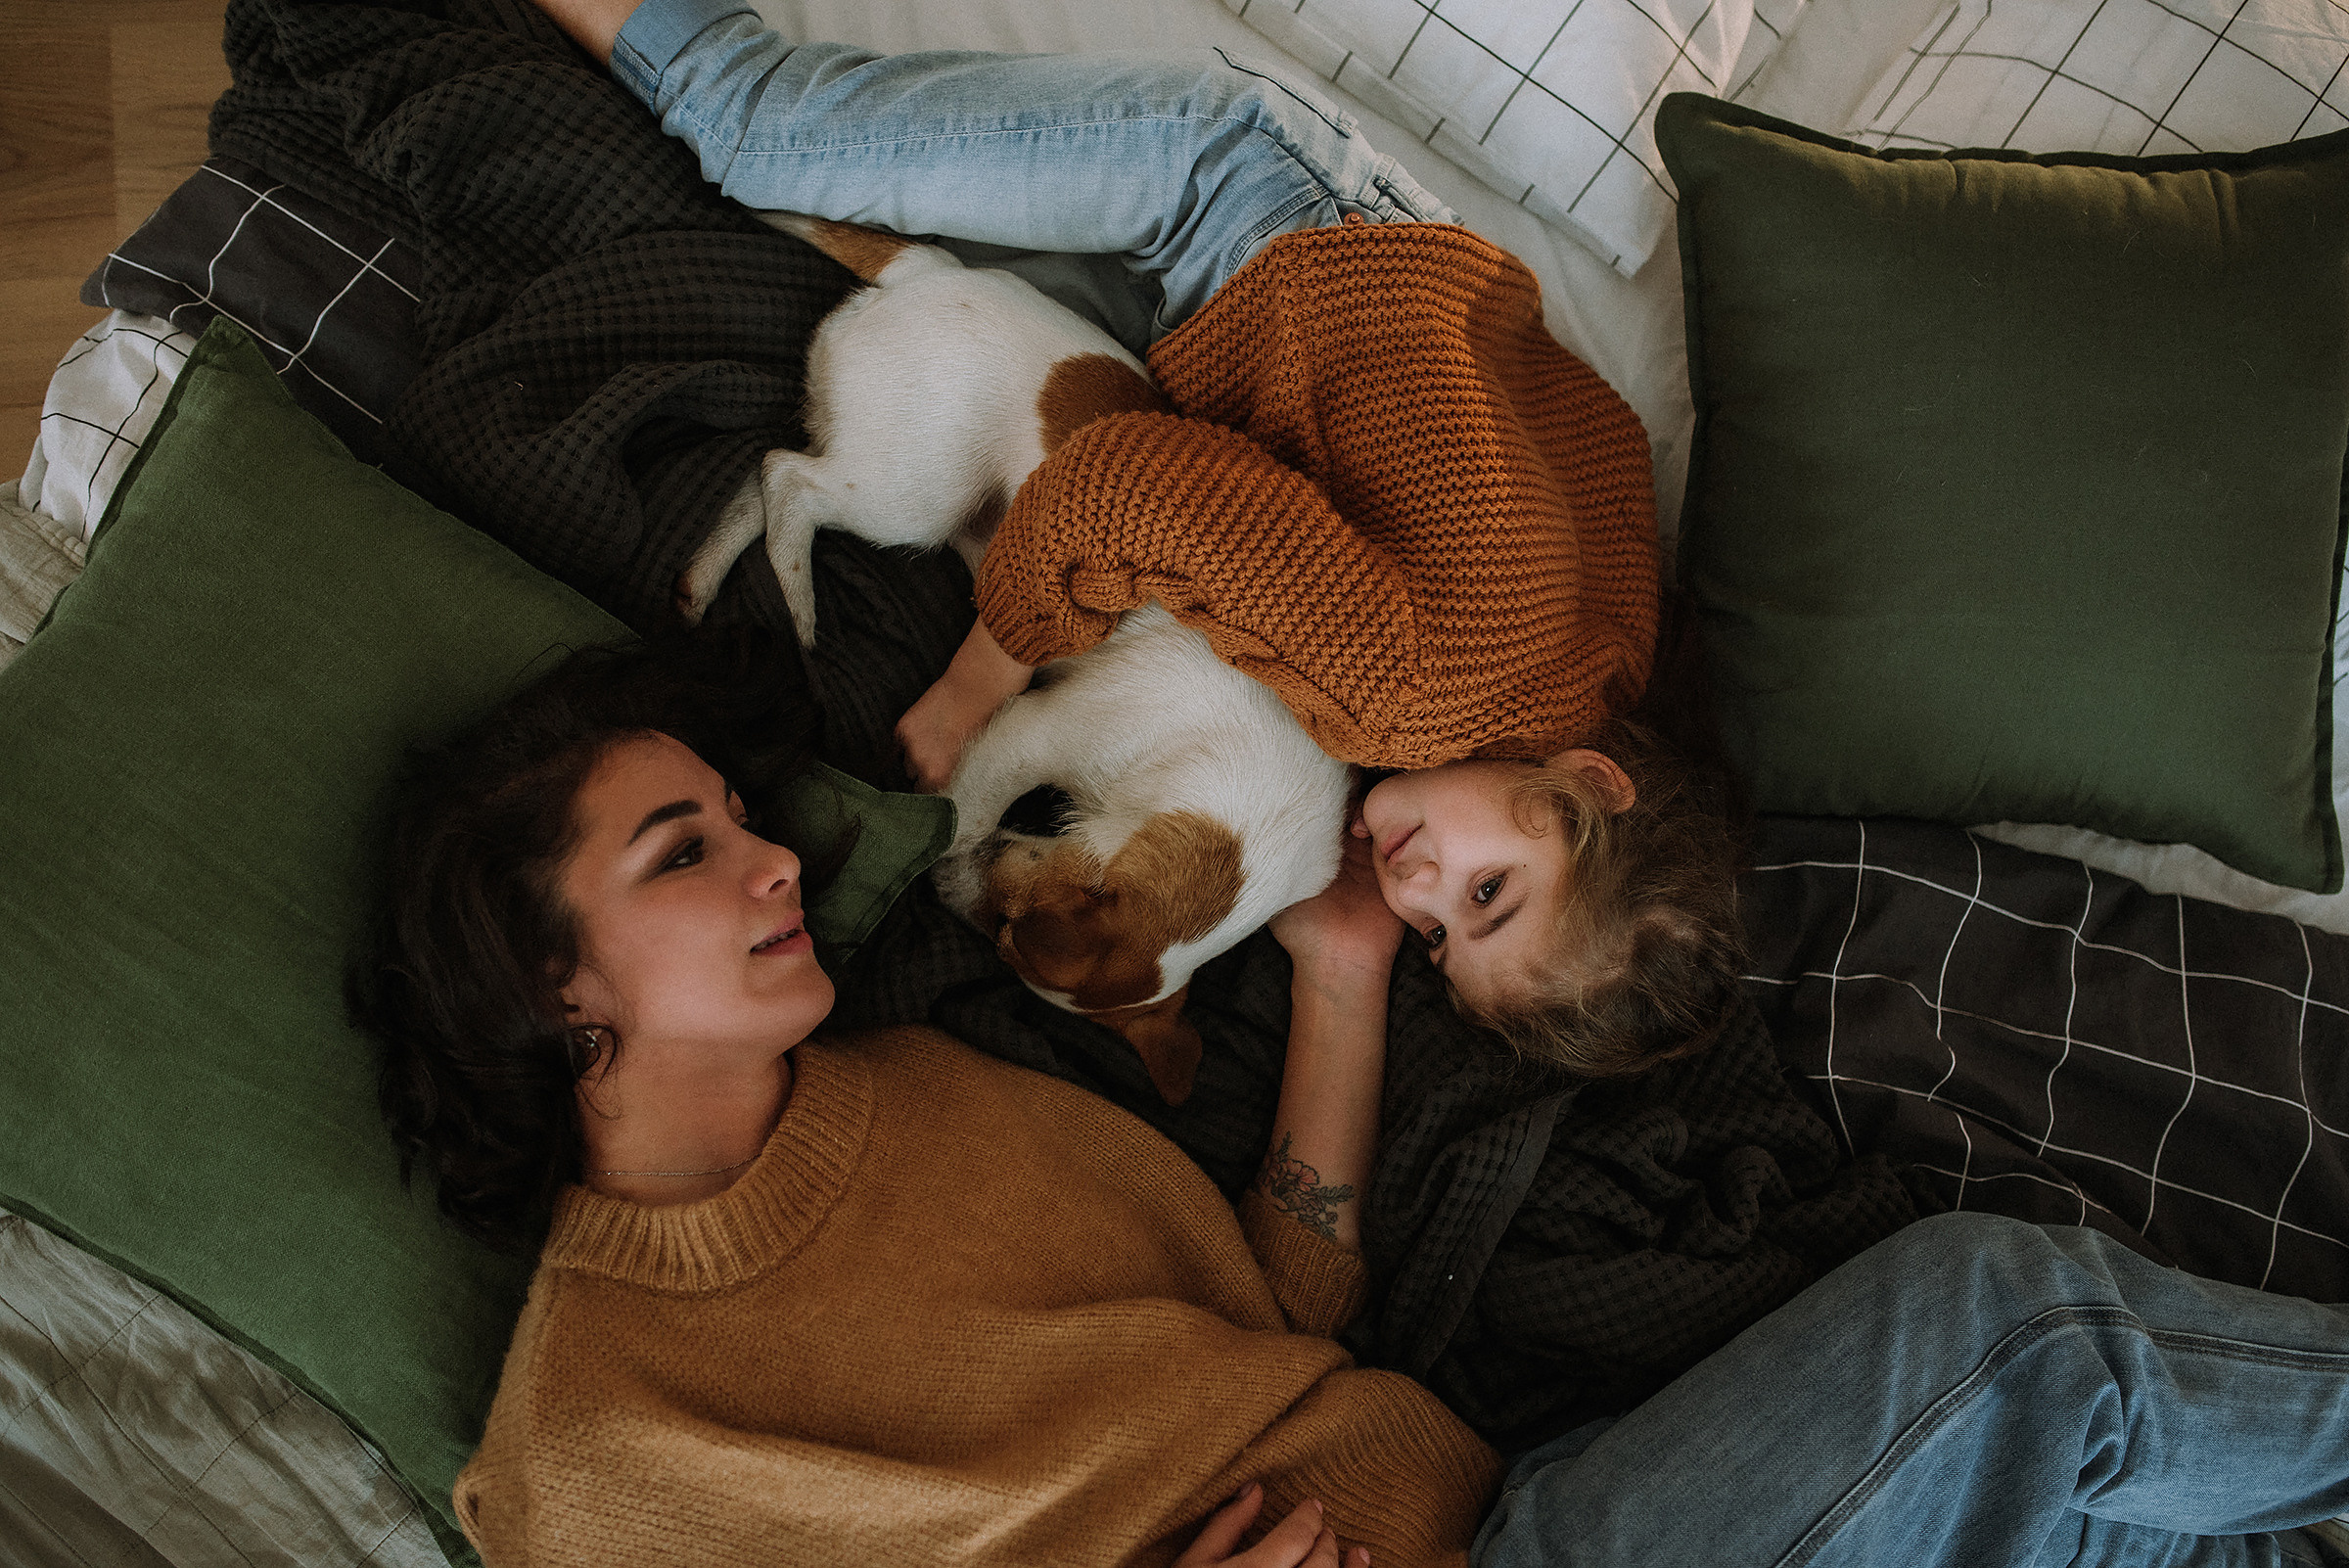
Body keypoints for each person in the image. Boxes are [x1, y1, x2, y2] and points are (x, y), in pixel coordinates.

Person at [351, 633, 2349, 1567]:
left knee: (2136, 1523)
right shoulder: (584, 1450)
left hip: (1512, 1519)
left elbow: (1285, 1304)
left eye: (735, 823)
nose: (781, 862)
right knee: (2014, 1327)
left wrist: (1338, 977)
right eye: (682, 851)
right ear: (548, 981)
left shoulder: (919, 1082)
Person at [528, 0, 1746, 1083]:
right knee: (755, 135)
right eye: (1491, 893)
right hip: (1235, 192)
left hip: (1369, 282)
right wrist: (969, 691)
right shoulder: (1411, 689)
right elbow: (1114, 487)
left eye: (1439, 940)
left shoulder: (1608, 667)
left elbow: (1600, 428)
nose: (1416, 891)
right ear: (1591, 785)